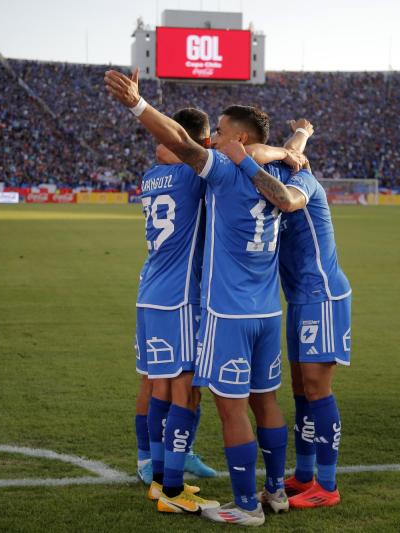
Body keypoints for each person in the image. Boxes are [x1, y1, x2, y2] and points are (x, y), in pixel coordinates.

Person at [105, 68, 301, 526]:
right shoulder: (259, 180)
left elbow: (185, 146)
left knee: (169, 387)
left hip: (178, 297)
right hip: (235, 305)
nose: (214, 139)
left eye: (221, 133)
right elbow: (220, 151)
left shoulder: (176, 178)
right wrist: (293, 145)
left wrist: (139, 104)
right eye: (210, 134)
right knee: (205, 395)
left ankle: (162, 475)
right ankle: (178, 484)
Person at [237, 120, 351, 509]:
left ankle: (328, 485)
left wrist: (291, 147)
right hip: (300, 299)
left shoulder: (300, 181)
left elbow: (285, 196)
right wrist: (301, 135)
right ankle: (304, 475)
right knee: (301, 390)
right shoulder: (279, 168)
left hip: (323, 295)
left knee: (318, 389)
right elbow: (277, 152)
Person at [132, 107, 220, 514]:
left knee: (162, 389)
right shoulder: (193, 174)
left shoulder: (151, 177)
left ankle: (160, 477)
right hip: (181, 296)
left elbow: (170, 150)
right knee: (185, 391)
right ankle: (171, 489)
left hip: (150, 292)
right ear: (199, 142)